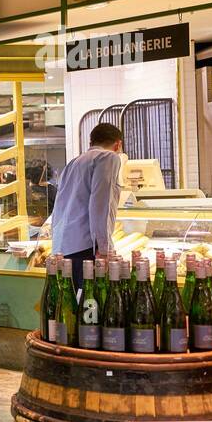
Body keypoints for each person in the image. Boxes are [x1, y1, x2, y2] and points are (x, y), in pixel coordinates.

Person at [49, 123, 124, 295]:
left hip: (64, 247)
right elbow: (100, 204)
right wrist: (104, 249)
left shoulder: (74, 162)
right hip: (85, 248)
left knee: (72, 308)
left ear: (91, 141)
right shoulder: (109, 157)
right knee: (89, 309)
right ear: (118, 144)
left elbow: (60, 205)